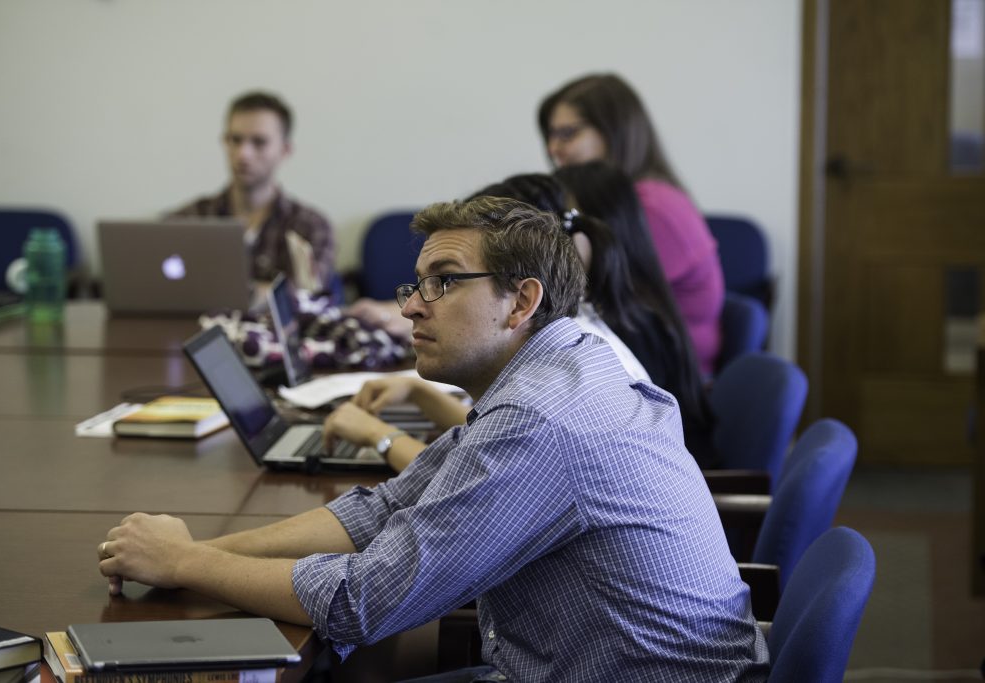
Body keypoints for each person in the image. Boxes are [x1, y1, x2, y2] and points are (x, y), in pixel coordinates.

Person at [97, 197, 768, 682]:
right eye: (415, 284)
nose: (411, 305)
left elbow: (368, 601)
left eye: (442, 282)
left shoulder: (542, 417)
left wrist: (187, 567)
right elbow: (383, 508)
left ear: (520, 300)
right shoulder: (556, 368)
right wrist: (194, 548)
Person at [538, 73, 725, 375]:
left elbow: (598, 300)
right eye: (551, 135)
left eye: (568, 133)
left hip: (664, 374)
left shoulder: (652, 207)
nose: (553, 149)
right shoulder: (634, 197)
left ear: (614, 133)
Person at [554, 162, 717, 466]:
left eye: (564, 226)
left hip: (675, 481)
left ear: (603, 227)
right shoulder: (623, 304)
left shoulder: (629, 326)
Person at [168, 91, 337, 294]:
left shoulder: (310, 227)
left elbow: (307, 300)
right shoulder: (188, 220)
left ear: (285, 150)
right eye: (235, 140)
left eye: (259, 142)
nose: (243, 154)